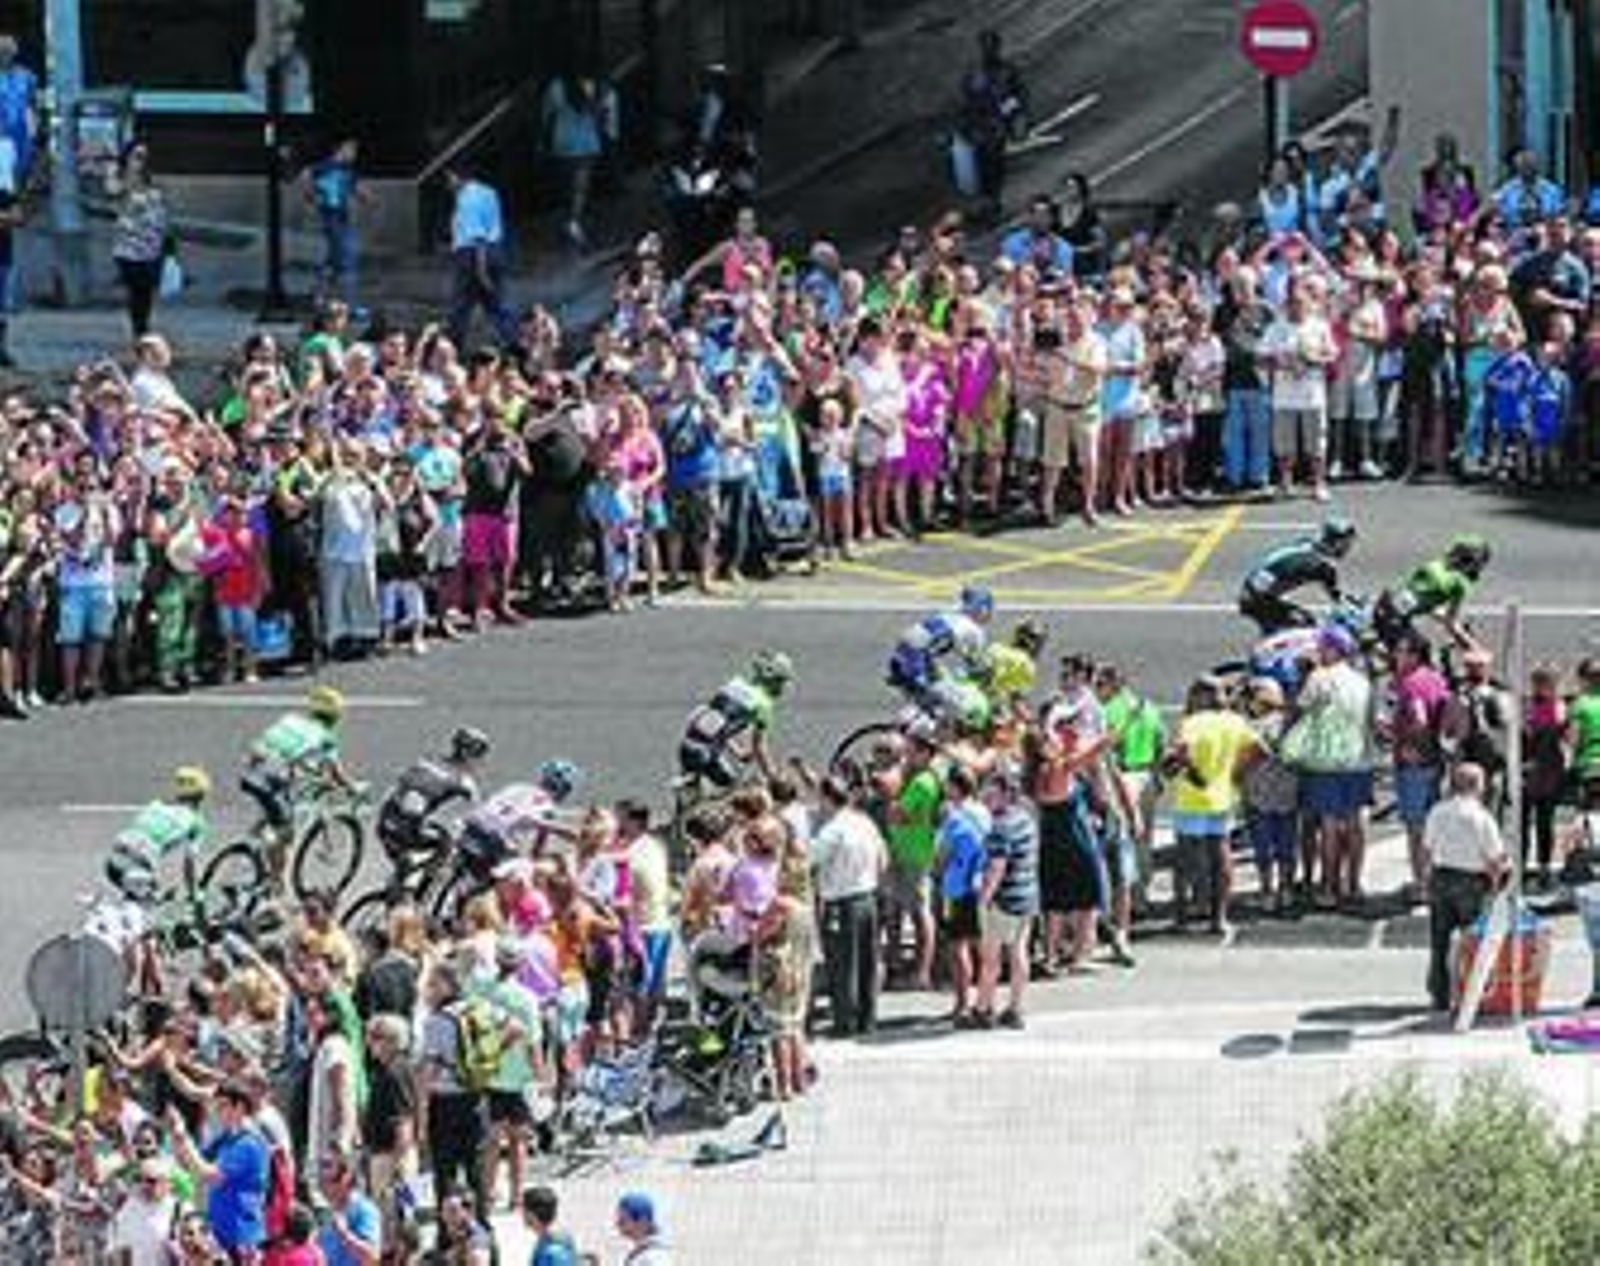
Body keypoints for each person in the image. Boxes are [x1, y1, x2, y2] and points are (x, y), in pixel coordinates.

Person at [242, 685, 360, 881]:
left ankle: (258, 834)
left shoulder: (290, 719)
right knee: (285, 835)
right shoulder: (325, 737)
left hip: (251, 773)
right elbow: (336, 772)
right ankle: (275, 885)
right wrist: (351, 788)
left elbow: (273, 748)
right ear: (336, 717)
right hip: (268, 781)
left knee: (279, 801)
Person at [1423, 762, 1508, 1012]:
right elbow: (1495, 859)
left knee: (1439, 942)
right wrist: (1496, 887)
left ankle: (1439, 995)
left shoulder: (1438, 811)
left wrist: (1425, 879)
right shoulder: (1482, 817)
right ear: (1477, 786)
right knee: (1474, 943)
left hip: (1441, 877)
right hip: (1472, 881)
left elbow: (1426, 848)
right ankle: (1472, 996)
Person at [810, 774, 886, 1037]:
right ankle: (867, 1018)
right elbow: (882, 858)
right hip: (868, 897)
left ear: (827, 798)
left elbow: (810, 860)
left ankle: (845, 1022)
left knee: (842, 964)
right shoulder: (865, 822)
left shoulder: (831, 830)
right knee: (867, 962)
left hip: (841, 902)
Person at [165, 1081, 271, 1263]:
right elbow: (189, 1163)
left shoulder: (249, 1144)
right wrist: (176, 1134)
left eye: (223, 1105)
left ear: (239, 1107)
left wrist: (183, 1136)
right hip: (219, 1235)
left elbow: (207, 1174)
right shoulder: (226, 1138)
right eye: (217, 1105)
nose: (217, 1111)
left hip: (241, 1238)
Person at [974, 760, 1039, 1028]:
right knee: (1019, 952)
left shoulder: (999, 827)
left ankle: (983, 1009)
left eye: (990, 793)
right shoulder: (1026, 818)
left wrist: (983, 899)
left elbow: (996, 868)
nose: (985, 799)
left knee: (990, 959)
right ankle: (1016, 1008)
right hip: (1028, 895)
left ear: (1004, 794)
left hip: (1004, 899)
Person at [678, 650, 793, 789]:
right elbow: (759, 747)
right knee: (739, 789)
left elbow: (718, 723)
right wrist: (772, 777)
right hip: (706, 753)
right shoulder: (764, 704)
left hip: (688, 744)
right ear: (775, 681)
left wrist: (738, 752)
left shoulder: (734, 684)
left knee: (693, 791)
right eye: (782, 682)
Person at [376, 726, 489, 859]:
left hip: (383, 822)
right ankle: (429, 877)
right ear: (470, 754)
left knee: (403, 850)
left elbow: (400, 784)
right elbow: (481, 813)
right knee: (447, 842)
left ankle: (401, 870)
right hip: (408, 834)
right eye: (479, 756)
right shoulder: (464, 781)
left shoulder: (427, 760)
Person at [1237, 516, 1357, 635]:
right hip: (1257, 598)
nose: (1348, 548)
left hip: (1255, 592)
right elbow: (1336, 596)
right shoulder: (1319, 564)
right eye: (1346, 544)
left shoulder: (1308, 545)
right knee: (1305, 626)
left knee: (1297, 624)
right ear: (1336, 542)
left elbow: (1336, 593)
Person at [887, 585, 994, 719]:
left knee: (943, 686)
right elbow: (977, 665)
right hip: (916, 662)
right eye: (989, 610)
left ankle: (910, 728)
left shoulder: (950, 614)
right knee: (955, 706)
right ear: (983, 610)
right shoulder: (974, 630)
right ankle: (905, 732)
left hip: (906, 654)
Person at [1372, 535, 1491, 653]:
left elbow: (1423, 601)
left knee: (1410, 646)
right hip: (1394, 617)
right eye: (1480, 564)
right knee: (1421, 652)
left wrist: (1446, 620)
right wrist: (1472, 645)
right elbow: (1450, 623)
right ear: (1473, 562)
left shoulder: (1435, 564)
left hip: (1385, 602)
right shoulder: (1460, 583)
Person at [444, 166, 518, 350]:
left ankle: (453, 349)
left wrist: (481, 269)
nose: (448, 183)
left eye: (450, 178)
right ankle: (515, 347)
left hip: (473, 256)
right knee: (496, 306)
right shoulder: (488, 191)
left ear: (457, 176)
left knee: (459, 309)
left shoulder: (467, 199)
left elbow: (478, 237)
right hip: (494, 252)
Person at [104, 141, 171, 339]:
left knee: (147, 290)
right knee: (136, 287)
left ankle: (143, 327)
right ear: (128, 157)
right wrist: (122, 171)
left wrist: (165, 235)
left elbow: (161, 208)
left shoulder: (150, 181)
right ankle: (139, 329)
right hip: (128, 245)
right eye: (137, 155)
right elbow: (112, 192)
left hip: (152, 244)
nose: (141, 161)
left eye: (144, 156)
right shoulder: (119, 179)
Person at [300, 138, 372, 305]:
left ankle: (319, 293)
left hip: (342, 216)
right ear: (341, 149)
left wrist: (368, 198)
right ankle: (348, 302)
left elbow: (355, 188)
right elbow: (305, 175)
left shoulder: (348, 170)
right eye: (351, 150)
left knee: (334, 259)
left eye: (355, 151)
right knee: (347, 258)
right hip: (331, 217)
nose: (354, 155)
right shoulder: (326, 166)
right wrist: (312, 196)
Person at [314, 1147, 381, 1266]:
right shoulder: (327, 1209)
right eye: (320, 1182)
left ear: (345, 1179)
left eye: (327, 1182)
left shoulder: (365, 1210)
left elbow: (372, 1257)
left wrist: (346, 1235)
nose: (322, 1189)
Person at [521, 1184, 580, 1265]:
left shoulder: (549, 1253)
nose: (521, 1214)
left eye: (523, 1210)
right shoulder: (564, 1238)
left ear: (531, 1216)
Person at [615, 1190, 673, 1265]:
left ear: (642, 1222)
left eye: (623, 1220)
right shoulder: (637, 1253)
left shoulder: (656, 1257)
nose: (617, 1224)